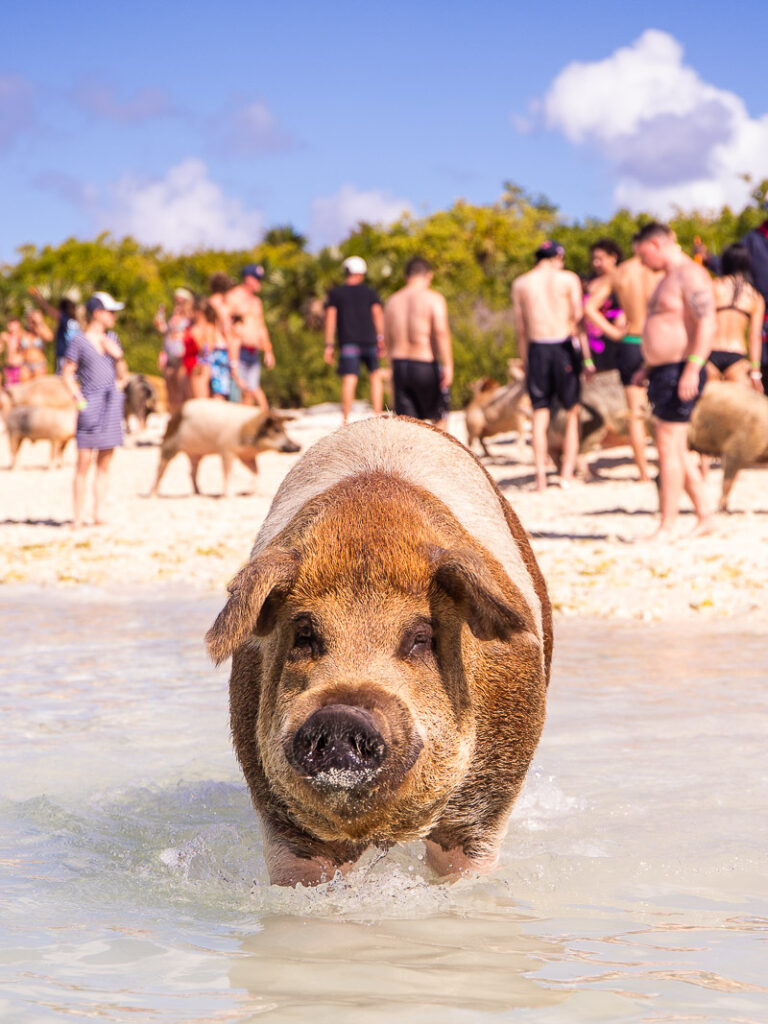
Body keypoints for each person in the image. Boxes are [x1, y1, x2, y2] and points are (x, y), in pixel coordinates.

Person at [632, 223, 716, 539]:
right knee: (675, 448)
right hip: (663, 370)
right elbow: (666, 327)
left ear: (655, 244)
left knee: (668, 448)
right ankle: (706, 516)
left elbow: (708, 322)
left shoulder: (690, 274)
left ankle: (668, 523)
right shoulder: (667, 279)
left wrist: (693, 367)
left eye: (642, 255)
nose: (642, 263)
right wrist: (647, 366)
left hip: (681, 369)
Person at [512, 240, 594, 491]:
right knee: (572, 412)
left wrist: (526, 362)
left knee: (539, 412)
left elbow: (521, 329)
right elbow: (578, 321)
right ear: (557, 257)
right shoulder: (568, 279)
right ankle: (566, 473)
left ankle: (539, 476)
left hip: (537, 348)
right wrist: (588, 358)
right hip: (563, 346)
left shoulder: (521, 283)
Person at [584, 242, 662, 481]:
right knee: (663, 409)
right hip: (656, 341)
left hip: (629, 342)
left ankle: (643, 473)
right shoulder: (658, 270)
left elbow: (588, 307)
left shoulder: (620, 273)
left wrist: (614, 333)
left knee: (635, 412)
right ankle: (667, 465)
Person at [61, 292, 126, 529]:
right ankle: (78, 517)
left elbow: (123, 375)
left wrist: (117, 355)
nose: (114, 317)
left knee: (105, 463)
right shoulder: (78, 341)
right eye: (111, 312)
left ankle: (98, 513)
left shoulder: (113, 338)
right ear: (98, 313)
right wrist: (79, 400)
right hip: (90, 403)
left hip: (111, 405)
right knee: (83, 462)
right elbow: (67, 374)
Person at [383, 256, 453, 429]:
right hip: (424, 363)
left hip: (399, 365)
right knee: (439, 421)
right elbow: (441, 332)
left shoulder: (392, 301)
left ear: (407, 276)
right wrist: (448, 365)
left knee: (408, 426)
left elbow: (387, 339)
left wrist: (390, 368)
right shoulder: (433, 298)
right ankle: (441, 456)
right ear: (429, 275)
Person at [324, 256, 385, 424]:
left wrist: (328, 345)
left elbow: (330, 319)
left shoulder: (336, 293)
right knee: (375, 376)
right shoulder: (370, 292)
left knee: (350, 378)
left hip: (348, 342)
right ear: (361, 273)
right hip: (370, 340)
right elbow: (378, 315)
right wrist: (381, 338)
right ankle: (378, 414)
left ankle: (345, 418)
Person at [707, 243, 764, 391]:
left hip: (710, 353)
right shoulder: (755, 297)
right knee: (736, 412)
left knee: (707, 410)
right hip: (737, 357)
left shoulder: (713, 287)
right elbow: (755, 336)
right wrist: (756, 372)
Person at [225, 264, 274, 410]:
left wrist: (268, 350)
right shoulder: (233, 296)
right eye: (257, 279)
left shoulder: (256, 302)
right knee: (238, 391)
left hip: (254, 352)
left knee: (251, 391)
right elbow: (224, 323)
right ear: (248, 278)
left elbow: (261, 326)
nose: (260, 283)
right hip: (238, 351)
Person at [584, 239, 625, 371]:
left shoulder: (624, 278)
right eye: (594, 259)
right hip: (591, 343)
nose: (596, 263)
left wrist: (614, 331)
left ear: (613, 257)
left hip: (617, 343)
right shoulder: (588, 282)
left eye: (600, 259)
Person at [155, 287, 194, 414]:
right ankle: (173, 415)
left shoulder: (189, 315)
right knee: (169, 387)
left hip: (181, 356)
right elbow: (165, 332)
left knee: (181, 388)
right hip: (169, 354)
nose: (178, 302)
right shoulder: (174, 314)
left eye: (181, 300)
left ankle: (181, 415)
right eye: (176, 299)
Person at [29, 289, 81, 373]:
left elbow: (49, 310)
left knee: (62, 380)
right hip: (75, 355)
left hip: (65, 354)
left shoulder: (64, 319)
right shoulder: (76, 322)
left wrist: (39, 299)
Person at [20, 310, 53, 379]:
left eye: (33, 320)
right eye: (30, 319)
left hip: (38, 364)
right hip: (25, 365)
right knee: (24, 387)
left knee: (39, 386)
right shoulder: (24, 332)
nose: (31, 322)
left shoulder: (41, 332)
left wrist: (39, 322)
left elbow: (49, 337)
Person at [1, 317, 24, 386]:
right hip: (8, 367)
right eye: (9, 324)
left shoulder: (22, 335)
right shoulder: (5, 336)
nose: (9, 326)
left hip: (19, 367)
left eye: (12, 324)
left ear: (18, 325)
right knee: (8, 388)